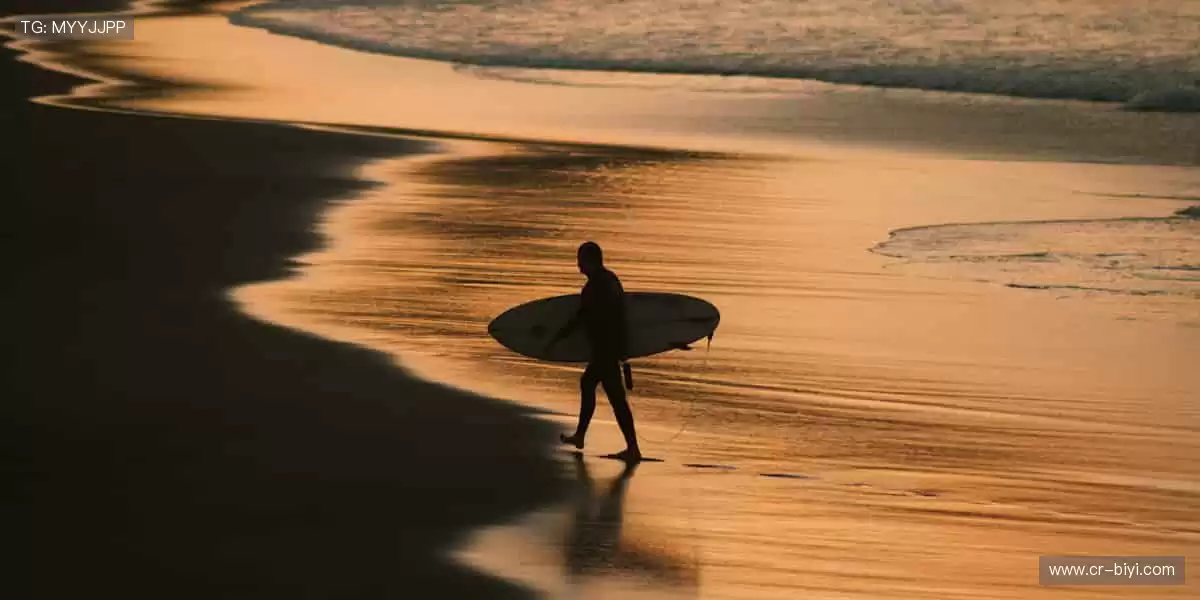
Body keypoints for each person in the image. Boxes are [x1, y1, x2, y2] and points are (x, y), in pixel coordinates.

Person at [547, 241, 642, 462]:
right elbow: (621, 315)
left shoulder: (595, 287)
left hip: (605, 350)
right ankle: (625, 445)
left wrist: (558, 337)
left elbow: (583, 317)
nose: (578, 266)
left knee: (603, 391)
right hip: (612, 347)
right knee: (602, 391)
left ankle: (630, 448)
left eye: (581, 261)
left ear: (591, 261)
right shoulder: (611, 280)